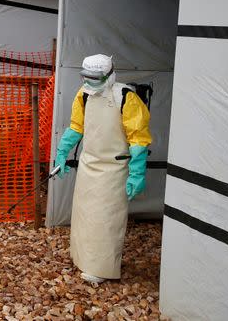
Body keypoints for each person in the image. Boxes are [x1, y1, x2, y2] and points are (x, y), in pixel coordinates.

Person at [54, 54, 152, 284]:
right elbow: (77, 126)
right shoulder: (84, 94)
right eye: (86, 77)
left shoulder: (126, 97)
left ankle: (101, 268)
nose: (89, 82)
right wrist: (62, 152)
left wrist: (137, 172)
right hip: (89, 165)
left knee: (107, 221)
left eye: (95, 78)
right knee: (84, 216)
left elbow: (138, 138)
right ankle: (81, 258)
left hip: (114, 169)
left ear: (108, 75)